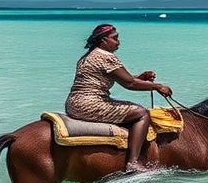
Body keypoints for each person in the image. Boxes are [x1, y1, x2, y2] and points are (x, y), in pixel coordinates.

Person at [65, 24, 172, 173]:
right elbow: (129, 83)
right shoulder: (106, 56)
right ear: (103, 41)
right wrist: (158, 87)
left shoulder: (88, 56)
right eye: (115, 38)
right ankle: (133, 162)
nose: (118, 41)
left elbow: (126, 78)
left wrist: (140, 77)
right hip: (90, 104)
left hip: (73, 103)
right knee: (141, 114)